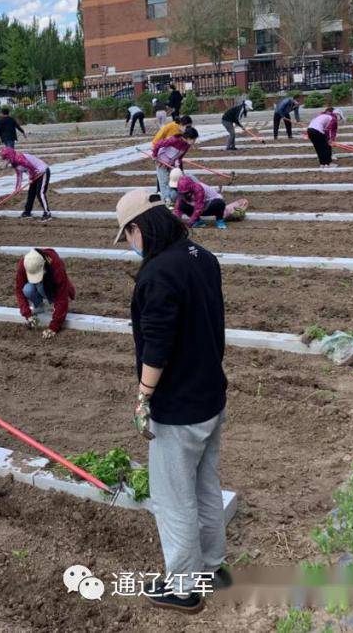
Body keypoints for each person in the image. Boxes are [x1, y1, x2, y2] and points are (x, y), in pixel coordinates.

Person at [113, 189, 229, 615]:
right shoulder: (202, 257)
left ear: (139, 227)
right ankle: (213, 566)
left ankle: (184, 588)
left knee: (172, 497)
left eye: (127, 235)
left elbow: (157, 345)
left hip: (179, 408)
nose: (130, 244)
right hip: (211, 395)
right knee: (205, 485)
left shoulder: (157, 274)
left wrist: (143, 397)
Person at [14, 248, 75, 339]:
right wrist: (28, 315)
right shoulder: (24, 264)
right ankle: (39, 306)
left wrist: (54, 327)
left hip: (52, 286)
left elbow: (62, 297)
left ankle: (53, 304)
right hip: (42, 284)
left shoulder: (55, 264)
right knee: (27, 289)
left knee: (41, 287)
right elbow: (19, 290)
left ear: (43, 266)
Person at [0, 146, 51, 221]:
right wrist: (17, 188)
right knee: (31, 193)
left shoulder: (20, 159)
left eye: (6, 159)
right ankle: (27, 212)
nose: (6, 161)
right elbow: (19, 176)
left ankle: (47, 213)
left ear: (9, 156)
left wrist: (31, 178)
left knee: (40, 193)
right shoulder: (15, 163)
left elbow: (31, 168)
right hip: (35, 174)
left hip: (42, 172)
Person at [151, 126, 198, 205]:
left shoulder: (187, 145)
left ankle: (179, 197)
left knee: (177, 179)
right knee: (164, 181)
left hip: (172, 162)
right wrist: (155, 155)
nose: (194, 141)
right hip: (161, 161)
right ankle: (166, 200)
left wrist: (177, 166)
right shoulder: (174, 140)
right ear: (188, 138)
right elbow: (158, 144)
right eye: (193, 139)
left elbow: (180, 157)